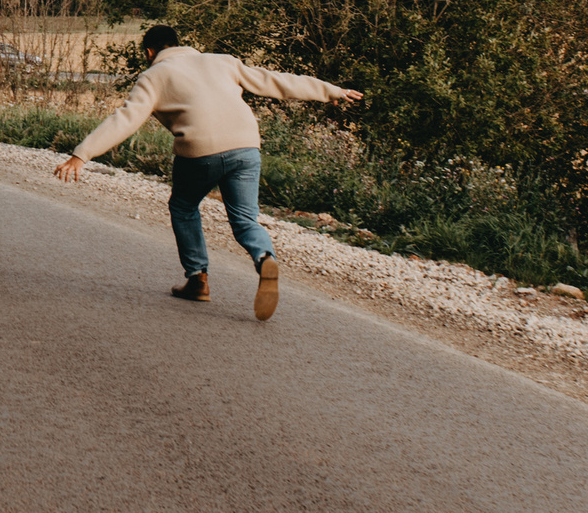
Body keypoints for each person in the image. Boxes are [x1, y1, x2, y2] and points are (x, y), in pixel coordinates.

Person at [53, 25, 361, 319]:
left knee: (184, 206)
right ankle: (265, 257)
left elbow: (126, 118)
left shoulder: (155, 75)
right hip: (246, 146)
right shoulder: (222, 62)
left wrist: (83, 154)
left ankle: (198, 279)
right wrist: (331, 91)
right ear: (179, 43)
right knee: (244, 220)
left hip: (200, 152)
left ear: (150, 51)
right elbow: (275, 82)